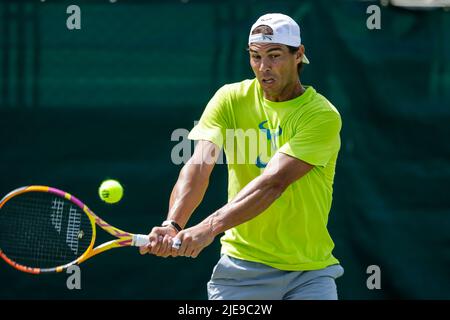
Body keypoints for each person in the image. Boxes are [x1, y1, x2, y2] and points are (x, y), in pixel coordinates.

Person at [140, 13, 344, 300]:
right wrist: (172, 224)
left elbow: (273, 183)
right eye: (255, 56)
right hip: (241, 270)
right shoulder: (229, 99)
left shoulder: (321, 115)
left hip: (309, 274)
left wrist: (208, 228)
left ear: (298, 55)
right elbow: (199, 166)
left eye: (274, 56)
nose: (263, 67)